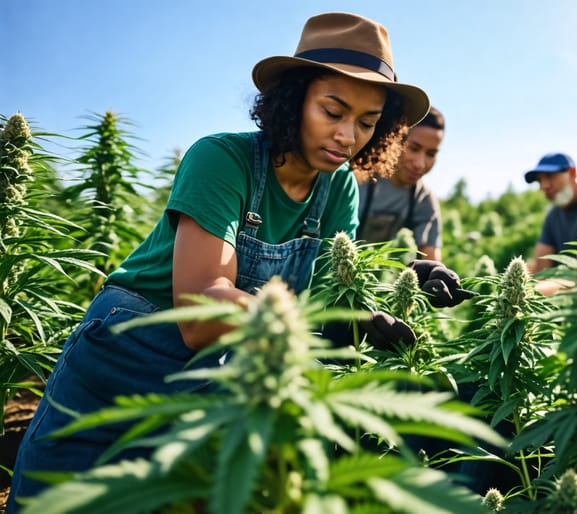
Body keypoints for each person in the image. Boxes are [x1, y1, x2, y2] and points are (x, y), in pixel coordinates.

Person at [7, 12, 471, 510]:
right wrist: (318, 323)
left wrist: (383, 297)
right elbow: (203, 309)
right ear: (292, 101)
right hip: (130, 348)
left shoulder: (338, 188)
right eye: (332, 111)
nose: (346, 136)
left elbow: (328, 295)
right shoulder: (221, 159)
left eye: (366, 122)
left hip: (222, 371)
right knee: (53, 502)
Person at [356, 106, 445, 261]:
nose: (420, 164)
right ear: (393, 139)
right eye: (414, 148)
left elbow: (430, 261)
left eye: (431, 154)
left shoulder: (423, 200)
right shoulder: (358, 179)